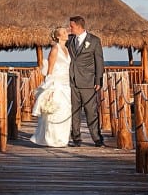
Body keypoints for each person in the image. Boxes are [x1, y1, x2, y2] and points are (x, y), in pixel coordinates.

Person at [30, 27, 72, 147]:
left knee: (66, 111)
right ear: (58, 36)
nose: (66, 33)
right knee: (55, 111)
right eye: (64, 32)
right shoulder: (55, 49)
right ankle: (52, 139)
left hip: (66, 83)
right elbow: (50, 70)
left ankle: (63, 139)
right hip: (56, 84)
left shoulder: (66, 49)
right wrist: (50, 88)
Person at [68, 15, 105, 147]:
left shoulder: (94, 41)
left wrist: (98, 80)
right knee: (74, 111)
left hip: (88, 82)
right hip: (72, 81)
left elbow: (99, 62)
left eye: (71, 26)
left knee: (91, 111)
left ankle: (97, 138)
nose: (69, 28)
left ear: (78, 26)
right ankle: (76, 138)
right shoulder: (69, 40)